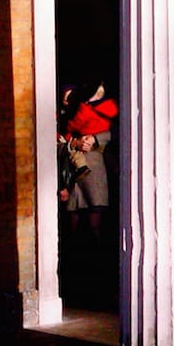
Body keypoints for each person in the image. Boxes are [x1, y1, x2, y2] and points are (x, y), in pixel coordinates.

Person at [58, 79, 118, 241]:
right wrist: (73, 143)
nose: (67, 101)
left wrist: (95, 139)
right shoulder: (64, 117)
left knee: (95, 205)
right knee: (74, 208)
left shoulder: (103, 111)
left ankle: (97, 239)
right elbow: (57, 141)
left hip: (95, 164)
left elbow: (114, 134)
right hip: (72, 168)